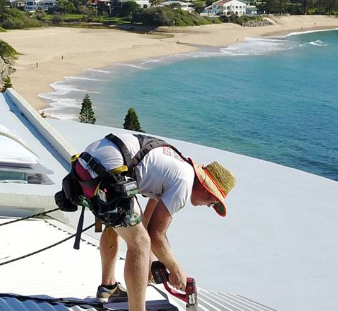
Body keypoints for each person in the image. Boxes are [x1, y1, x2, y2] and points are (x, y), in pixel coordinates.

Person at [64, 132, 234, 309]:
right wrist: (176, 271)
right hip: (105, 172)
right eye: (212, 203)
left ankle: (108, 287)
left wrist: (150, 260)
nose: (208, 206)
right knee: (140, 242)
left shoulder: (177, 166)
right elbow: (156, 235)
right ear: (208, 191)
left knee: (121, 224)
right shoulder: (184, 183)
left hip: (86, 164)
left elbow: (146, 221)